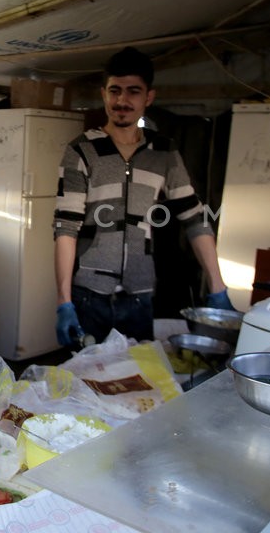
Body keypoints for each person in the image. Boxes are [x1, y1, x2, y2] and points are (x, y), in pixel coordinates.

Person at [53, 46, 235, 347]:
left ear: (148, 97)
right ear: (103, 94)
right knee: (87, 385)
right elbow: (66, 227)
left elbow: (195, 219)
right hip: (89, 296)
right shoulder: (81, 150)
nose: (122, 100)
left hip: (140, 296)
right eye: (115, 91)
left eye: (133, 92)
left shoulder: (164, 151)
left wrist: (217, 287)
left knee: (138, 383)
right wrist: (64, 302)